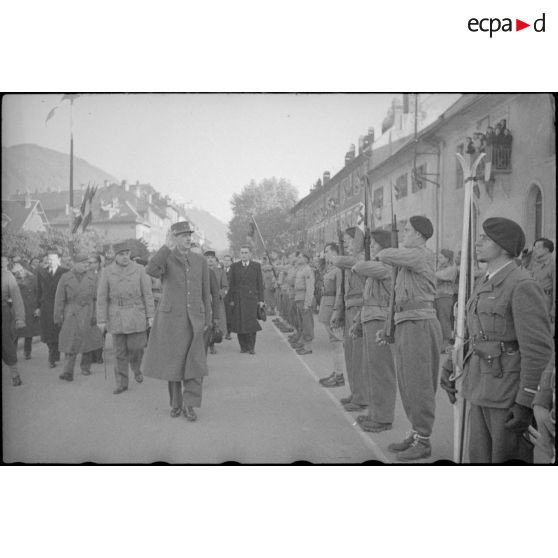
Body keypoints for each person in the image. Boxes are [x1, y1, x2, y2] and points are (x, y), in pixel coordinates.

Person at [441, 217, 553, 463]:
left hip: (506, 395)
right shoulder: (486, 280)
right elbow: (475, 334)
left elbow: (539, 352)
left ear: (503, 247)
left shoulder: (521, 284)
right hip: (480, 387)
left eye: (485, 238)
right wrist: (451, 363)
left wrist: (526, 402)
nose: (478, 242)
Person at [376, 215, 443, 461]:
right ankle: (415, 432)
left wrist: (390, 247)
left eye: (407, 229)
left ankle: (424, 439)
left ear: (418, 235)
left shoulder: (421, 254)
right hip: (405, 323)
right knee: (406, 384)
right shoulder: (406, 260)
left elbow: (383, 255)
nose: (404, 232)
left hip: (420, 323)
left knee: (419, 384)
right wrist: (387, 328)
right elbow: (395, 298)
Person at [142, 222, 211, 421]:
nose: (188, 238)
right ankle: (176, 403)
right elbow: (151, 270)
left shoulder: (200, 261)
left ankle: (190, 405)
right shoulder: (166, 258)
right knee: (174, 365)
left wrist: (207, 317)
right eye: (182, 235)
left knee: (195, 364)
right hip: (171, 320)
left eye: (189, 235)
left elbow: (206, 292)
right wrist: (165, 247)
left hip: (195, 320)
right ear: (174, 238)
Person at [352, 229, 397, 433]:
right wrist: (357, 321)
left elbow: (359, 265)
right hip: (370, 319)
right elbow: (367, 299)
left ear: (383, 246)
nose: (370, 247)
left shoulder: (385, 265)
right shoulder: (377, 267)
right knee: (371, 370)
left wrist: (378, 255)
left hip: (380, 320)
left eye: (374, 244)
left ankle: (384, 417)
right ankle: (375, 413)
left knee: (381, 371)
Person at [97, 241, 154, 395]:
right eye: (121, 254)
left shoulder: (140, 270)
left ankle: (136, 368)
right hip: (117, 314)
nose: (125, 257)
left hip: (136, 312)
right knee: (119, 352)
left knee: (137, 347)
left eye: (127, 254)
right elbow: (102, 297)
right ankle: (121, 382)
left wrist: (150, 316)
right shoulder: (107, 272)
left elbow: (147, 294)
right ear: (115, 256)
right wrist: (101, 320)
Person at [331, 227, 368, 413]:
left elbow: (339, 260)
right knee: (350, 355)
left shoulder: (361, 259)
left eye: (348, 240)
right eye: (343, 240)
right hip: (349, 307)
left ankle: (362, 397)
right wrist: (338, 311)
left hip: (360, 307)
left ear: (358, 240)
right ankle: (355, 393)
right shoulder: (349, 261)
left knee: (358, 356)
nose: (345, 243)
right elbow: (342, 290)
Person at [54, 252, 104, 381]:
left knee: (87, 341)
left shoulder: (93, 277)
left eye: (87, 263)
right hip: (71, 312)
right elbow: (59, 298)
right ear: (75, 264)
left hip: (88, 311)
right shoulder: (65, 277)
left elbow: (97, 298)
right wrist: (58, 316)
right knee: (71, 342)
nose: (86, 266)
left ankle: (85, 367)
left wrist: (96, 315)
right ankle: (67, 371)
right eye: (83, 263)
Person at [317, 243, 346, 387]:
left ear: (335, 251)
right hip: (325, 305)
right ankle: (336, 372)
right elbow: (319, 268)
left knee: (337, 343)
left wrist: (337, 310)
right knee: (334, 343)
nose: (325, 253)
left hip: (332, 308)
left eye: (327, 251)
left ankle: (339, 375)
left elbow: (340, 291)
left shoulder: (338, 270)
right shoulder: (329, 268)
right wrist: (322, 258)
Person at [228, 245, 265, 355]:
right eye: (242, 253)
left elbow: (260, 284)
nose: (244, 255)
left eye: (246, 252)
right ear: (240, 254)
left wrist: (261, 300)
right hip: (238, 299)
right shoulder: (234, 266)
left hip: (251, 299)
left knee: (251, 323)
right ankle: (243, 346)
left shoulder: (256, 266)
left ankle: (251, 346)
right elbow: (231, 284)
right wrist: (231, 300)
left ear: (250, 254)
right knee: (240, 323)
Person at [35, 248, 68, 368]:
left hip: (59, 306)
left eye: (53, 259)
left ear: (59, 259)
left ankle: (53, 355)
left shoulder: (65, 272)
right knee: (47, 332)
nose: (51, 261)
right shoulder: (41, 272)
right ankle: (52, 353)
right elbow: (38, 290)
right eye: (49, 259)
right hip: (46, 307)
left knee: (57, 331)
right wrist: (37, 306)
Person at [2, 256, 25, 386]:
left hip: (4, 314)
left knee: (7, 345)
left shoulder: (8, 276)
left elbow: (17, 298)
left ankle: (14, 374)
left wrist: (20, 318)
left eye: (3, 261)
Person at [12, 262, 40, 360]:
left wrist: (38, 308)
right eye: (16, 271)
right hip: (18, 309)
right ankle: (12, 353)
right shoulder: (13, 280)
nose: (19, 273)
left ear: (25, 269)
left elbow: (38, 293)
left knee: (29, 333)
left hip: (30, 308)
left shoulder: (33, 279)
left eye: (21, 270)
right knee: (15, 332)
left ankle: (27, 352)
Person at [289, 252, 315, 355]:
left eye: (300, 257)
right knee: (302, 323)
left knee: (307, 323)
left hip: (304, 299)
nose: (298, 259)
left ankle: (308, 347)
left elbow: (310, 288)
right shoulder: (300, 270)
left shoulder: (308, 270)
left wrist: (307, 303)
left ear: (306, 259)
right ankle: (304, 344)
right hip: (299, 298)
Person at [528, 238, 555, 324]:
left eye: (537, 247)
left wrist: (554, 310)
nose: (534, 249)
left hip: (546, 302)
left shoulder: (552, 266)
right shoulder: (535, 264)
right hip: (533, 300)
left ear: (546, 250)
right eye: (534, 247)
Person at [205, 251, 228, 354]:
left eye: (212, 258)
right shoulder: (201, 270)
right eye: (208, 258)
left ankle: (212, 344)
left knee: (215, 322)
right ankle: (205, 343)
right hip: (204, 301)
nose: (210, 260)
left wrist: (220, 294)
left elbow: (226, 287)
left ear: (216, 260)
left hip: (216, 301)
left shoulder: (220, 272)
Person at [435, 249, 458, 349]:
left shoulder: (451, 269)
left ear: (447, 258)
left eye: (441, 257)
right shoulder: (439, 268)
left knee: (444, 319)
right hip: (437, 296)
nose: (438, 259)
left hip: (445, 296)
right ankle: (439, 342)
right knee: (438, 320)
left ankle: (446, 343)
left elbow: (441, 276)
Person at [222, 255, 234, 339]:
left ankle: (228, 332)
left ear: (231, 262)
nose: (226, 262)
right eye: (225, 260)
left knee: (229, 316)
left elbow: (235, 286)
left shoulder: (234, 272)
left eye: (228, 260)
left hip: (230, 297)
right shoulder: (220, 271)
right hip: (221, 297)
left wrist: (233, 299)